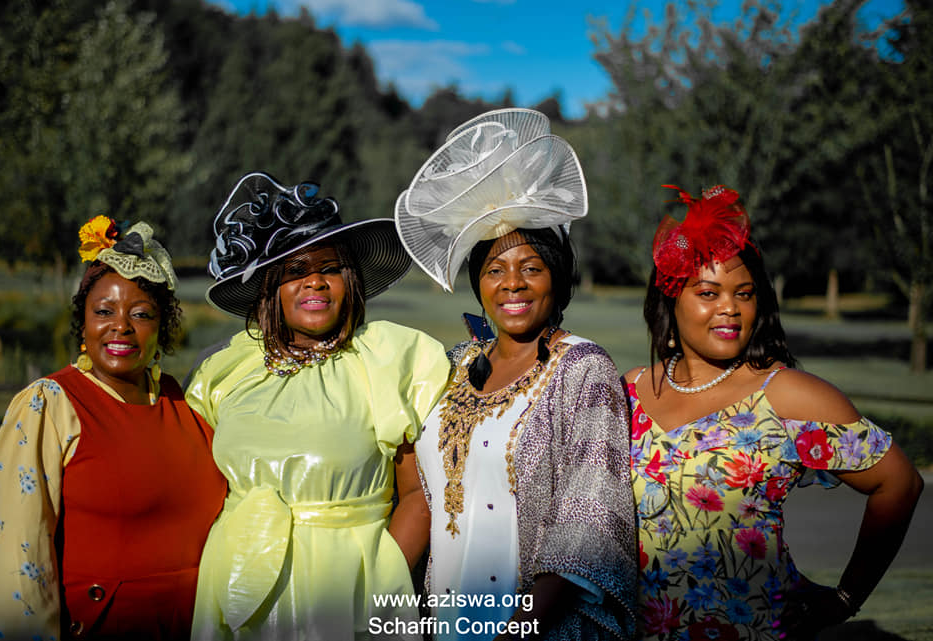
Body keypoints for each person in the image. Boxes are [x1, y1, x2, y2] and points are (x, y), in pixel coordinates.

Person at [625, 184, 925, 640]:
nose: (729, 307)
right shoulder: (630, 391)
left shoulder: (786, 395)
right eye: (708, 293)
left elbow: (899, 482)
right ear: (671, 300)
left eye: (744, 294)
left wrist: (846, 597)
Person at [395, 108, 637, 641]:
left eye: (531, 267)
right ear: (478, 284)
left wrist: (518, 633)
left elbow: (589, 520)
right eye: (495, 270)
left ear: (558, 277)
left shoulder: (584, 370)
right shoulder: (454, 368)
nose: (513, 284)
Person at [184, 172, 450, 640]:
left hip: (350, 595)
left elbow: (418, 495)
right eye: (294, 271)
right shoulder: (226, 372)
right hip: (235, 588)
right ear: (271, 288)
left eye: (328, 268)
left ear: (348, 280)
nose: (315, 283)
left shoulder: (389, 360)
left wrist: (379, 581)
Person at [0, 217, 227, 641]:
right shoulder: (50, 405)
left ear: (163, 327)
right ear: (83, 322)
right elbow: (21, 561)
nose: (121, 326)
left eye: (141, 314)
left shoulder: (184, 403)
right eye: (104, 311)